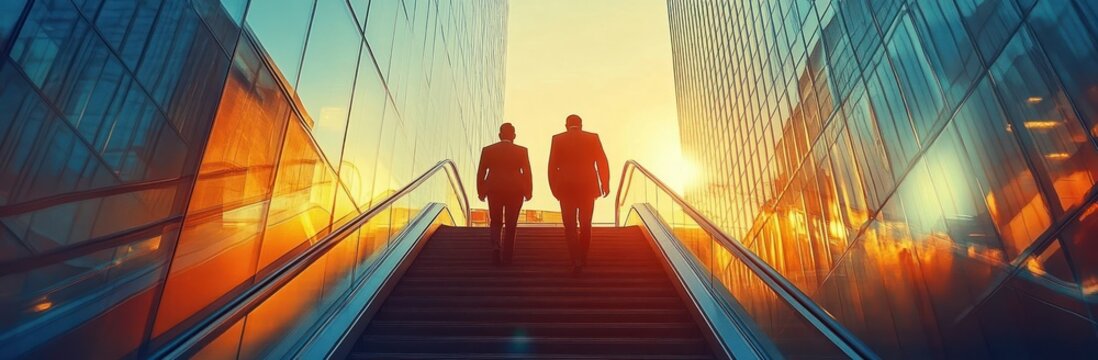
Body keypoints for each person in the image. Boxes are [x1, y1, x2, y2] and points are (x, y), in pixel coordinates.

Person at [548, 114, 609, 273]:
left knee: (569, 225)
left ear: (566, 125)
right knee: (585, 223)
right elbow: (602, 161)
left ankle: (575, 260)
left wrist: (554, 188)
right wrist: (605, 184)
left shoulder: (557, 139)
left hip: (566, 187)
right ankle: (583, 255)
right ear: (581, 125)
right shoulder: (592, 138)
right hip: (588, 186)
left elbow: (552, 166)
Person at [476, 123, 532, 265]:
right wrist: (528, 191)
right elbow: (526, 172)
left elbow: (481, 171)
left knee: (495, 221)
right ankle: (508, 256)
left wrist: (481, 191)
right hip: (515, 190)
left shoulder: (488, 150)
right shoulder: (521, 151)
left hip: (494, 189)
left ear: (500, 135)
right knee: (511, 223)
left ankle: (495, 247)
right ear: (514, 136)